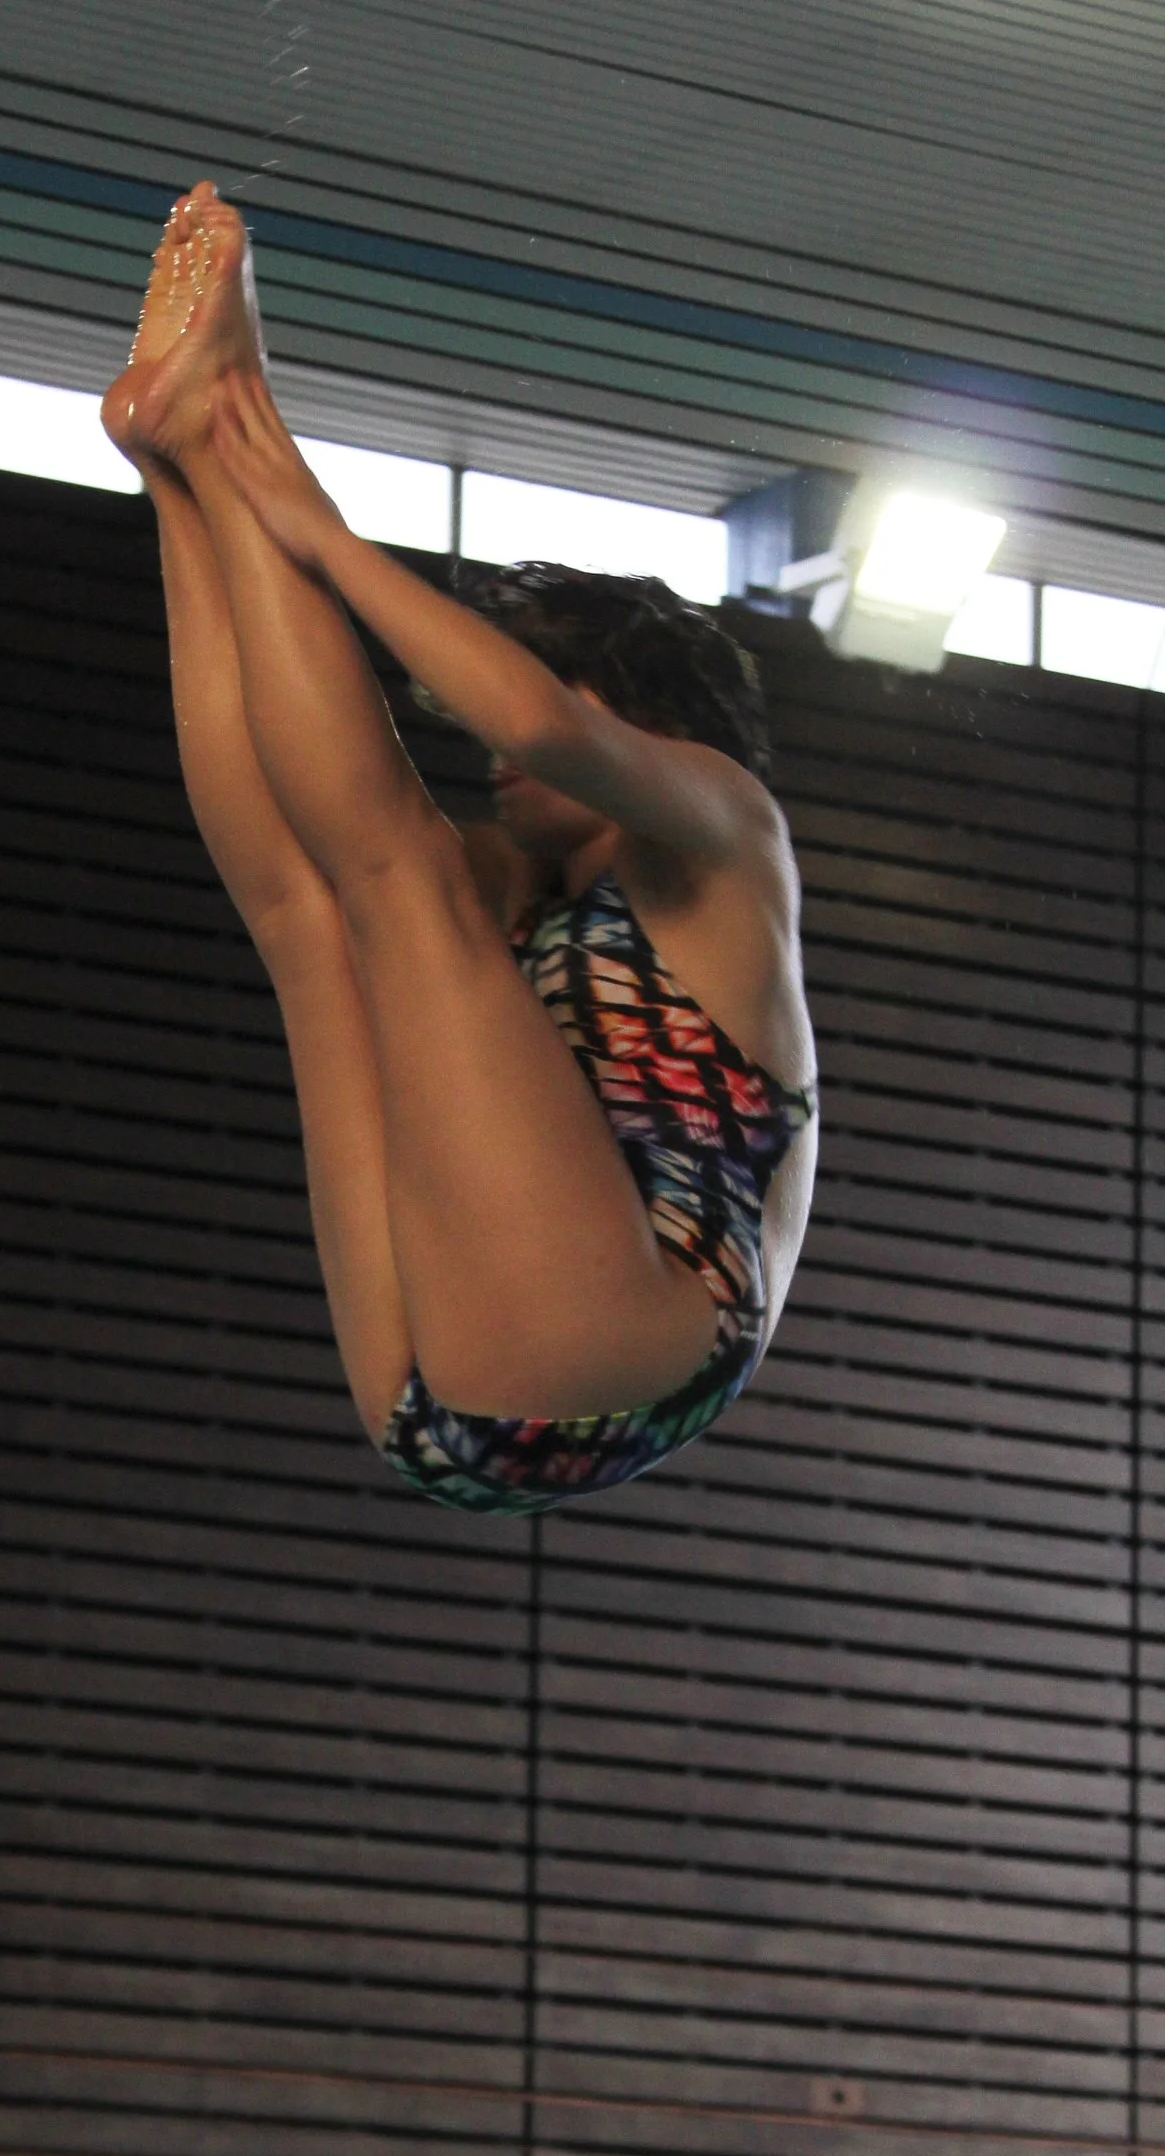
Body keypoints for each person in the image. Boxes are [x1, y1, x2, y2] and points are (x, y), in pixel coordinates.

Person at [103, 183, 816, 1516]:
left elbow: (533, 720)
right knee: (310, 922)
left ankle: (225, 424)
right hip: (447, 1390)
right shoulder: (531, 892)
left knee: (399, 883)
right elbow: (286, 850)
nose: (496, 762)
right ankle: (178, 467)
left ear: (653, 721)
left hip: (634, 1343)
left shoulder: (729, 837)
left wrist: (311, 521)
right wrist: (213, 504)